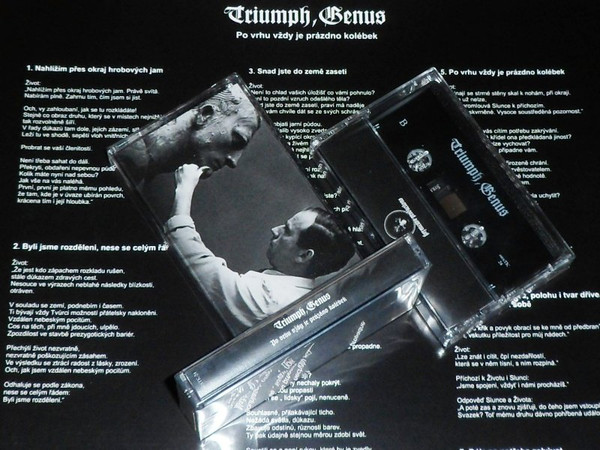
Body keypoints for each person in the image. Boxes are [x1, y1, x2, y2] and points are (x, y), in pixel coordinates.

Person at [164, 164, 355, 334]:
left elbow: (195, 260)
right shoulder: (295, 295)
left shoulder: (272, 299)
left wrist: (184, 187)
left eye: (287, 230)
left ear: (304, 255)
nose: (275, 230)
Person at [112, 84, 261, 184]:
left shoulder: (143, 163)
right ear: (205, 115)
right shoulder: (132, 156)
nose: (234, 161)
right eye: (237, 140)